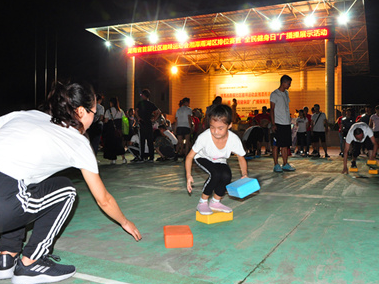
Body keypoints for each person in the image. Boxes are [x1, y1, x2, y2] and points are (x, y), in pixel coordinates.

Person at [0, 82, 141, 284]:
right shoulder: (76, 141)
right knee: (65, 190)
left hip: (8, 190)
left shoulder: (26, 115)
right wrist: (125, 222)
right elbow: (103, 199)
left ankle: (6, 257)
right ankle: (31, 263)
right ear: (81, 111)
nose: (96, 117)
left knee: (25, 187)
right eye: (94, 112)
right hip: (4, 199)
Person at [185, 104, 248, 215]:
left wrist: (244, 175)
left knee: (226, 175)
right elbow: (189, 156)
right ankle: (202, 202)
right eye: (212, 127)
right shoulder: (204, 137)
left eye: (220, 128)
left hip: (220, 160)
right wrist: (188, 175)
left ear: (229, 126)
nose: (215, 131)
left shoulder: (234, 139)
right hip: (202, 157)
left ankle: (215, 202)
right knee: (216, 174)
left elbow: (241, 157)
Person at [270, 75, 296, 172]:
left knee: (285, 144)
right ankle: (276, 164)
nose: (289, 85)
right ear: (283, 83)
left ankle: (285, 163)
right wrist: (273, 124)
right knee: (276, 145)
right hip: (278, 123)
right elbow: (272, 109)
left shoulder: (286, 94)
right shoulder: (274, 94)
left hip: (286, 123)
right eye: (288, 83)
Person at [135, 89, 161, 162]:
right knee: (150, 141)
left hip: (142, 123)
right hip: (149, 123)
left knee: (142, 140)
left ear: (143, 95)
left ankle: (142, 157)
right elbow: (159, 112)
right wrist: (154, 119)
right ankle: (151, 157)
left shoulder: (140, 103)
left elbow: (136, 111)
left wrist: (138, 118)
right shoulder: (151, 104)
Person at [103, 97, 127, 164]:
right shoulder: (120, 111)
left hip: (111, 130)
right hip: (118, 130)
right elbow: (124, 119)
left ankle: (113, 159)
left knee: (112, 144)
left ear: (111, 103)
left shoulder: (108, 111)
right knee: (119, 144)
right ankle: (123, 158)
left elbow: (106, 120)